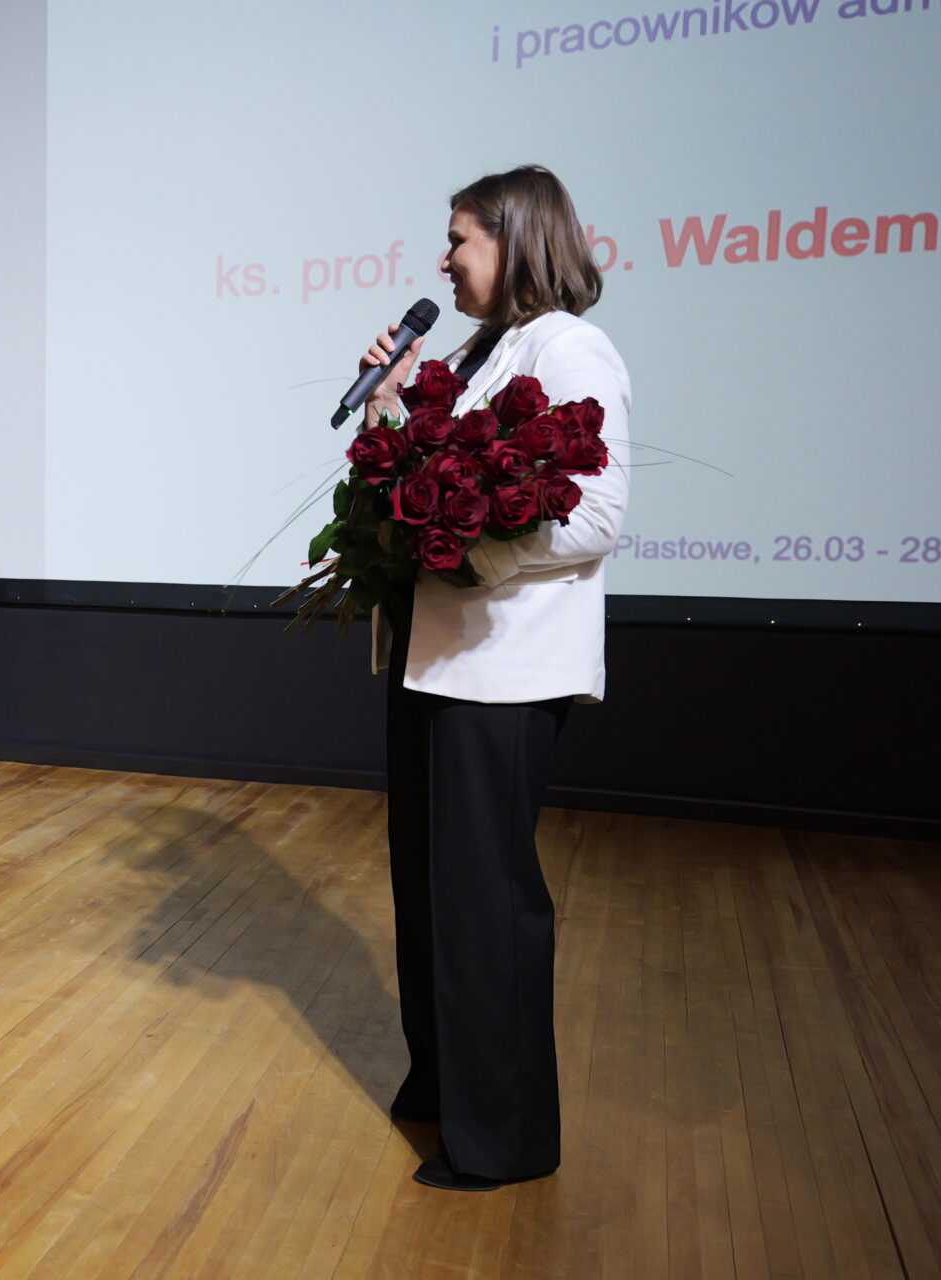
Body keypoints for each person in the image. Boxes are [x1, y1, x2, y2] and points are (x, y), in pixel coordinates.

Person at [358, 165, 630, 1190]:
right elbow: (407, 484)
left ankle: (505, 1137)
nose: (443, 260)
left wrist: (473, 552)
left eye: (459, 239)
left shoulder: (569, 348)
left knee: (485, 904)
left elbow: (594, 516)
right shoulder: (478, 354)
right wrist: (387, 406)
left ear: (517, 242)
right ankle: (445, 1086)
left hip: (504, 674)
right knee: (430, 893)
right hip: (439, 662)